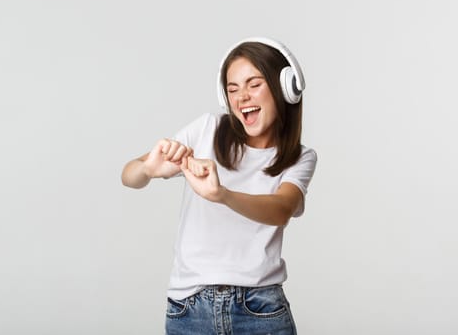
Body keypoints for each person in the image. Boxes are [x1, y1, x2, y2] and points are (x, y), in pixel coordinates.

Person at [121, 37, 317, 335]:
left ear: (285, 88)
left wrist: (222, 195)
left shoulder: (300, 158)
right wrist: (148, 169)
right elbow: (128, 175)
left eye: (254, 84)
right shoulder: (206, 130)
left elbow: (281, 210)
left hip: (260, 307)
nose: (242, 97)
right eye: (233, 88)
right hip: (190, 308)